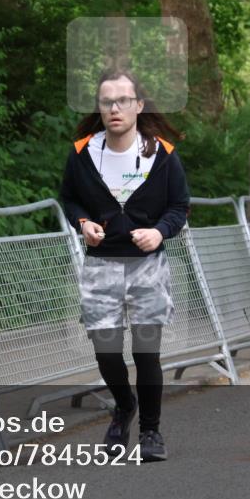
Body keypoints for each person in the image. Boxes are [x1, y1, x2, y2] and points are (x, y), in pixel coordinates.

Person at [60, 69, 188, 462]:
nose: (114, 109)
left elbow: (178, 206)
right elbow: (71, 199)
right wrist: (83, 223)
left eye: (122, 101)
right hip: (101, 266)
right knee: (107, 353)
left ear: (138, 105)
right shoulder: (84, 152)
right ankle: (124, 405)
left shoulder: (160, 154)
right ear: (98, 107)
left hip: (147, 266)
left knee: (147, 353)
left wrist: (160, 232)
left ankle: (150, 432)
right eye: (106, 102)